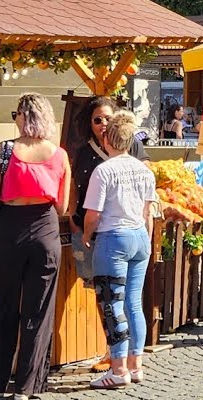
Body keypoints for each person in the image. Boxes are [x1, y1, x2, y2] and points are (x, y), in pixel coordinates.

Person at [0, 94, 71, 399]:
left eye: (15, 114)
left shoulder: (3, 150)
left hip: (9, 230)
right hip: (45, 231)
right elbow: (62, 207)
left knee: (1, 307)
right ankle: (26, 386)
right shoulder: (60, 155)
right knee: (38, 312)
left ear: (22, 116)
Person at [82, 112, 157, 389]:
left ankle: (118, 369)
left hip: (114, 238)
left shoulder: (104, 171)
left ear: (106, 139)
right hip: (139, 236)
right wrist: (146, 240)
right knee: (133, 303)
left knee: (112, 305)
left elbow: (93, 214)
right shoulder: (143, 170)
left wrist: (88, 235)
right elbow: (148, 211)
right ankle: (136, 366)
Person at [72, 97, 149, 279]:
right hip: (90, 230)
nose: (103, 124)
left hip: (119, 230)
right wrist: (73, 219)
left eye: (108, 118)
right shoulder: (83, 151)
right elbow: (74, 186)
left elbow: (147, 177)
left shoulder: (132, 144)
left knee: (112, 293)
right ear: (89, 124)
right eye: (97, 120)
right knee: (100, 287)